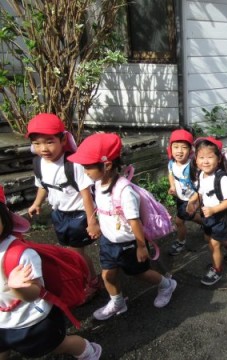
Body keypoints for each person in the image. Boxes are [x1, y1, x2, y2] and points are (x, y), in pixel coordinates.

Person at [67, 133, 176, 320]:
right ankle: (118, 302)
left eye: (87, 167)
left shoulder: (124, 191)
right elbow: (104, 210)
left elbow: (135, 221)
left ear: (107, 165)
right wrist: (100, 225)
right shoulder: (98, 184)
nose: (84, 171)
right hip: (109, 241)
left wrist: (141, 246)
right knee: (107, 276)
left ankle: (166, 284)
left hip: (129, 244)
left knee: (140, 274)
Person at [0, 185, 102, 360]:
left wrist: (17, 287)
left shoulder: (19, 254)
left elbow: (34, 293)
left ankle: (87, 351)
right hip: (3, 321)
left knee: (58, 345)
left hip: (30, 320)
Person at [26, 113, 101, 300]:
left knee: (76, 254)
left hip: (79, 215)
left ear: (62, 139)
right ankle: (81, 277)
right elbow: (43, 186)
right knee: (68, 251)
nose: (43, 148)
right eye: (37, 143)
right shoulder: (38, 164)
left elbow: (86, 195)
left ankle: (91, 281)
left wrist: (92, 222)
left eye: (49, 142)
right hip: (59, 214)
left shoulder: (73, 164)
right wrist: (37, 203)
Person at [186, 137, 227, 286]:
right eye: (201, 157)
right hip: (207, 215)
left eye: (210, 157)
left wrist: (214, 209)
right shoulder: (201, 175)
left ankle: (217, 270)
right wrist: (192, 201)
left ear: (219, 159)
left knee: (214, 245)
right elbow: (201, 192)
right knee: (209, 240)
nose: (206, 161)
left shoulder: (221, 178)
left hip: (220, 216)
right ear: (196, 160)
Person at [167, 129, 202, 255]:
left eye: (184, 147)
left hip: (192, 199)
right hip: (181, 197)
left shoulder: (192, 167)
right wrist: (172, 186)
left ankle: (180, 242)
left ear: (190, 150)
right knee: (190, 216)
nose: (179, 151)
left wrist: (192, 202)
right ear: (170, 147)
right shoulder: (171, 163)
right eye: (175, 147)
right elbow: (171, 174)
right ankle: (205, 224)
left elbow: (201, 189)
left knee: (179, 221)